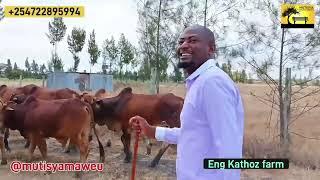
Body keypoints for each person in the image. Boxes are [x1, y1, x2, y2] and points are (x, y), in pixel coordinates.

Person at [129, 24, 244, 180]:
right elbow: (192, 133)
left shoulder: (212, 82)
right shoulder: (199, 82)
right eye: (181, 41)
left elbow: (228, 147)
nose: (183, 45)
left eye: (192, 40)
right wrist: (151, 131)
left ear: (211, 48)